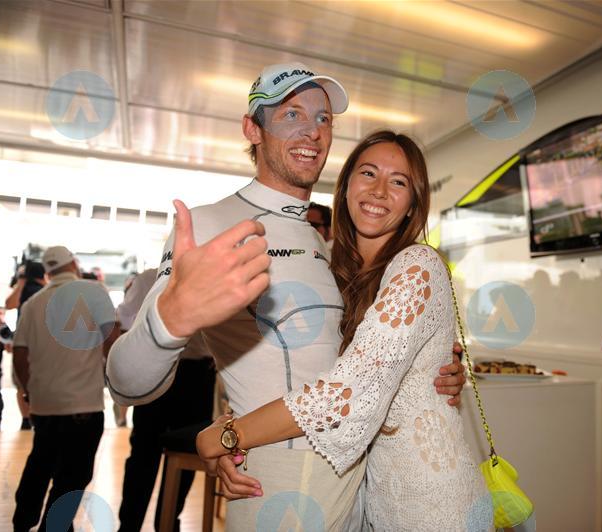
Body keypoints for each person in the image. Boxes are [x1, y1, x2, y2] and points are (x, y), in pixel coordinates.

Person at [106, 62, 465, 531]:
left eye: (323, 118)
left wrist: (433, 366)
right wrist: (168, 320)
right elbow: (127, 386)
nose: (312, 131)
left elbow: (355, 365)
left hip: (360, 484)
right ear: (252, 129)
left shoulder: (326, 244)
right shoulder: (211, 224)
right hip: (279, 479)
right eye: (291, 114)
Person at [197, 131, 491, 530]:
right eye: (368, 173)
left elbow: (347, 391)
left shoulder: (417, 266)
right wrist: (232, 424)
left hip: (431, 503)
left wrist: (228, 436)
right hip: (366, 499)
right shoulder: (332, 267)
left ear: (413, 204)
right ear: (346, 185)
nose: (379, 191)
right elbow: (291, 363)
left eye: (398, 182)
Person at [12, 246, 117, 531]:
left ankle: (23, 520)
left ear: (48, 272)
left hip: (44, 406)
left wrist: (30, 392)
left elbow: (20, 354)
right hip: (83, 406)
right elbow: (112, 339)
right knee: (73, 477)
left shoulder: (32, 303)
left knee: (40, 464)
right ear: (73, 264)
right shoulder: (94, 291)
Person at [115, 268, 216, 532]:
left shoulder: (152, 277)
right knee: (147, 452)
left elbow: (124, 322)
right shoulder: (153, 277)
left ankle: (160, 522)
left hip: (186, 371)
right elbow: (123, 322)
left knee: (177, 451)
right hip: (171, 369)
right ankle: (139, 525)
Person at [6, 260, 46, 430]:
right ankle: (29, 419)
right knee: (33, 381)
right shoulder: (42, 291)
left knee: (22, 382)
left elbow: (9, 304)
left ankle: (27, 419)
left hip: (26, 341)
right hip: (39, 342)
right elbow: (10, 304)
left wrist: (20, 283)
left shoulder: (38, 291)